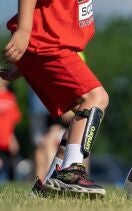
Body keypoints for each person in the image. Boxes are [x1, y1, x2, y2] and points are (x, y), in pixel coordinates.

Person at [0, 0, 109, 197]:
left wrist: (28, 60)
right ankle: (71, 171)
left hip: (51, 45)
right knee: (96, 97)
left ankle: (48, 186)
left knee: (81, 112)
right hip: (48, 44)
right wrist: (24, 31)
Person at [0, 75, 22, 182]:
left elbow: (12, 121)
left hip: (5, 141)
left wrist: (12, 138)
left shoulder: (10, 97)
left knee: (9, 167)